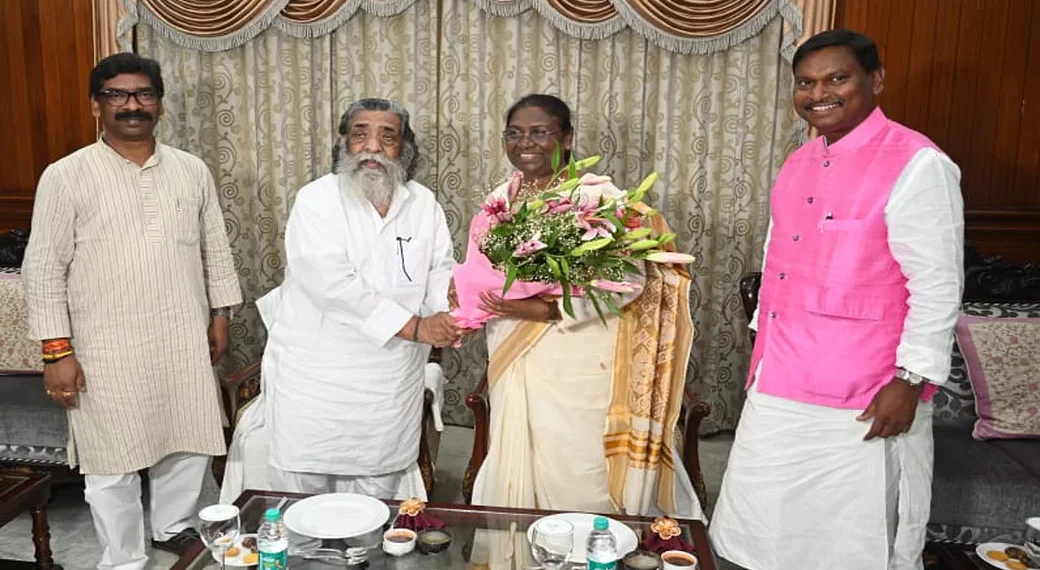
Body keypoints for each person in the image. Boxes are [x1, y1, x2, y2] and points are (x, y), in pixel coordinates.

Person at [709, 30, 964, 570]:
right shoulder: (798, 161)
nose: (817, 93)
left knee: (847, 541)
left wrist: (911, 379)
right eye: (805, 82)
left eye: (836, 78)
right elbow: (778, 253)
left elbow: (938, 284)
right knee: (761, 526)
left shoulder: (918, 163)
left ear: (874, 81)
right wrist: (761, 336)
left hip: (864, 390)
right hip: (779, 373)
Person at [22, 53, 242, 570]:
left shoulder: (191, 170)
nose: (132, 106)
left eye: (143, 95)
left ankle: (172, 527)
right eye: (117, 95)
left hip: (180, 333)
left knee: (186, 440)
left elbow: (215, 247)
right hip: (103, 345)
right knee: (111, 458)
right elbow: (44, 268)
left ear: (159, 105)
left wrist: (221, 313)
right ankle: (122, 558)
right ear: (96, 104)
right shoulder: (66, 175)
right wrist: (57, 351)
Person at [464, 94, 705, 520]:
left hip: (577, 353)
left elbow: (628, 280)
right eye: (515, 133)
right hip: (511, 347)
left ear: (567, 137)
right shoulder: (499, 198)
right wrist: (465, 298)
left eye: (540, 132)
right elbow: (480, 268)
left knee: (575, 461)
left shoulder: (598, 197)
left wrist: (546, 310)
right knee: (518, 448)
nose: (526, 143)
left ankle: (584, 549)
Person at [255, 98, 460, 502]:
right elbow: (332, 285)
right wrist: (419, 327)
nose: (373, 147)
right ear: (344, 143)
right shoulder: (316, 200)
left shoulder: (423, 203)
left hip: (389, 382)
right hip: (316, 379)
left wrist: (450, 311)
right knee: (305, 497)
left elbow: (440, 268)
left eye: (388, 137)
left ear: (405, 148)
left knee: (377, 493)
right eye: (360, 134)